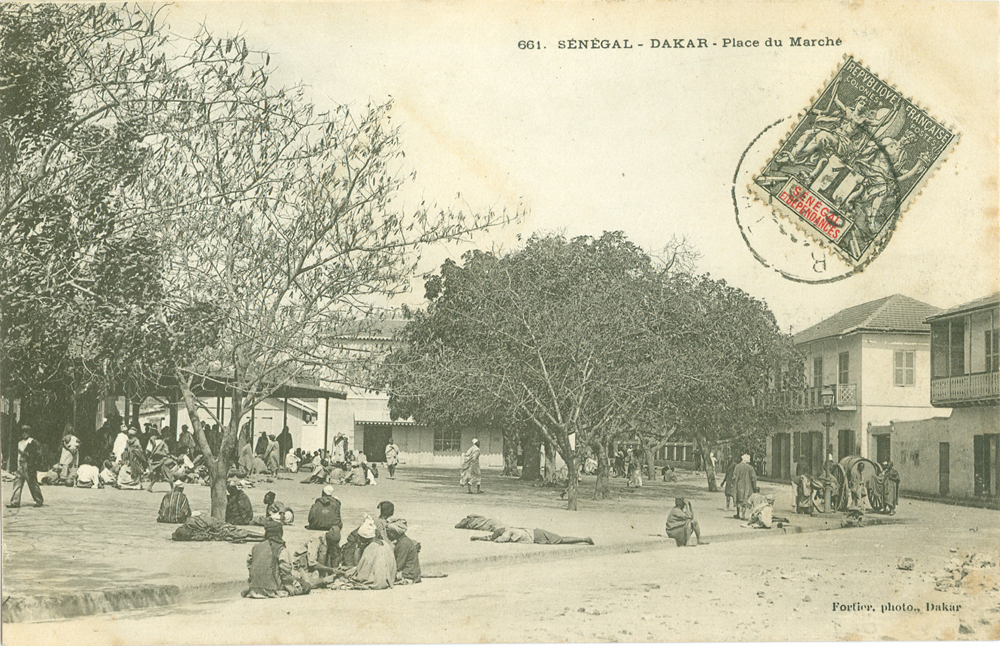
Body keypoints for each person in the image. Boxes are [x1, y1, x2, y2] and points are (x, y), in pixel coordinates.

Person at [375, 501, 421, 583]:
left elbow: (398, 565)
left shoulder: (388, 522)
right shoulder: (380, 522)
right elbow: (384, 539)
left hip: (408, 574)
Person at [7, 426, 44, 508]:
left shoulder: (33, 442)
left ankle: (38, 500)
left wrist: (26, 455)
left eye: (26, 431)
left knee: (32, 483)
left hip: (28, 465)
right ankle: (15, 502)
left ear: (29, 432)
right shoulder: (19, 443)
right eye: (23, 431)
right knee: (17, 483)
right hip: (20, 465)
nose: (24, 433)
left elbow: (37, 454)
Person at [472, 526, 594, 545]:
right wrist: (478, 537)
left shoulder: (508, 533)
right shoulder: (509, 529)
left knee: (561, 540)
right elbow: (492, 537)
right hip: (536, 532)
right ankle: (583, 539)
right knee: (560, 538)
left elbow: (499, 540)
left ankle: (583, 539)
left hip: (537, 537)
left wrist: (488, 539)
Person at [731, 453, 757, 518]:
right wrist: (754, 487)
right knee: (745, 500)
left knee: (738, 499)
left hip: (739, 486)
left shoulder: (737, 467)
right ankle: (743, 514)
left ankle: (737, 514)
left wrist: (733, 485)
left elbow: (734, 477)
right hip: (748, 487)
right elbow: (753, 478)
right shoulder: (750, 468)